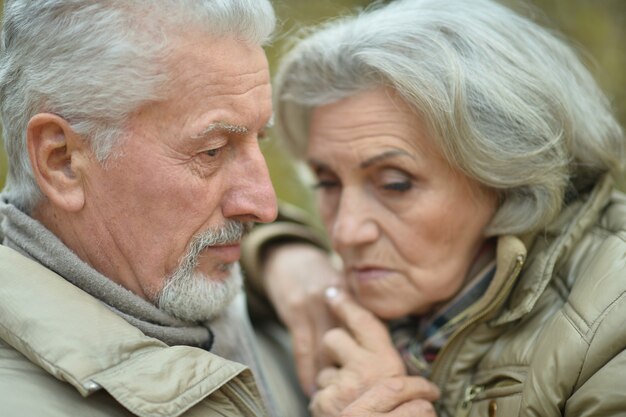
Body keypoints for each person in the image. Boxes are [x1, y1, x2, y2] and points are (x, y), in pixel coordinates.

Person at [249, 0, 626, 415]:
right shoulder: (393, 280)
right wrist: (284, 254)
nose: (344, 232)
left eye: (395, 184)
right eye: (327, 182)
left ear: (506, 175)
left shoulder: (613, 318)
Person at [0, 1, 315, 416]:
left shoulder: (294, 318)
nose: (264, 205)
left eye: (260, 138)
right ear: (61, 161)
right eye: (212, 151)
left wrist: (287, 256)